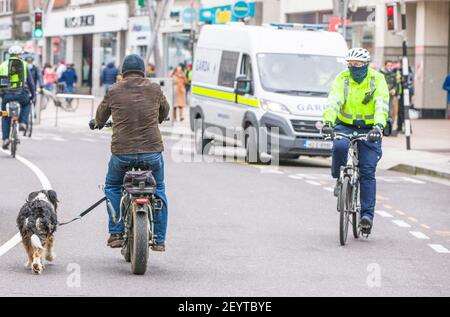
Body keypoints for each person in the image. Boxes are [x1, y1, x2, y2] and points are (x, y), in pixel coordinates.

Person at [93, 54, 170, 251]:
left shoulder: (114, 90)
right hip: (152, 152)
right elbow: (165, 111)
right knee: (159, 189)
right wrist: (159, 118)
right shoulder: (154, 88)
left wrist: (99, 123)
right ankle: (160, 239)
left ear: (123, 72)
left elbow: (101, 116)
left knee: (112, 186)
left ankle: (116, 232)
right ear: (144, 71)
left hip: (122, 153)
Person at [322, 48, 389, 235]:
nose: (354, 67)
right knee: (339, 146)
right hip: (345, 125)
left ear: (366, 64)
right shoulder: (342, 78)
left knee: (367, 171)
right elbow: (333, 101)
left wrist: (378, 127)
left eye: (358, 64)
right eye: (350, 64)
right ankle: (338, 178)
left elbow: (381, 104)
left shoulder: (377, 80)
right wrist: (328, 122)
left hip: (370, 129)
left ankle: (367, 217)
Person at [0, 46, 36, 149]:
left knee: (4, 115)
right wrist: (33, 96)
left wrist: (2, 94)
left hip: (7, 96)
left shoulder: (3, 65)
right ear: (19, 55)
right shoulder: (24, 65)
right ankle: (23, 122)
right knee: (27, 104)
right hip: (21, 94)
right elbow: (31, 82)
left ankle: (6, 138)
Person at [380, 60, 398, 133]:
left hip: (390, 96)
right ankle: (382, 128)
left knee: (390, 112)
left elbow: (396, 84)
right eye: (388, 65)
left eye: (391, 65)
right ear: (385, 65)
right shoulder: (380, 74)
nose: (389, 67)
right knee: (382, 111)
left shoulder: (393, 74)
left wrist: (394, 89)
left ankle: (388, 129)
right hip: (382, 97)